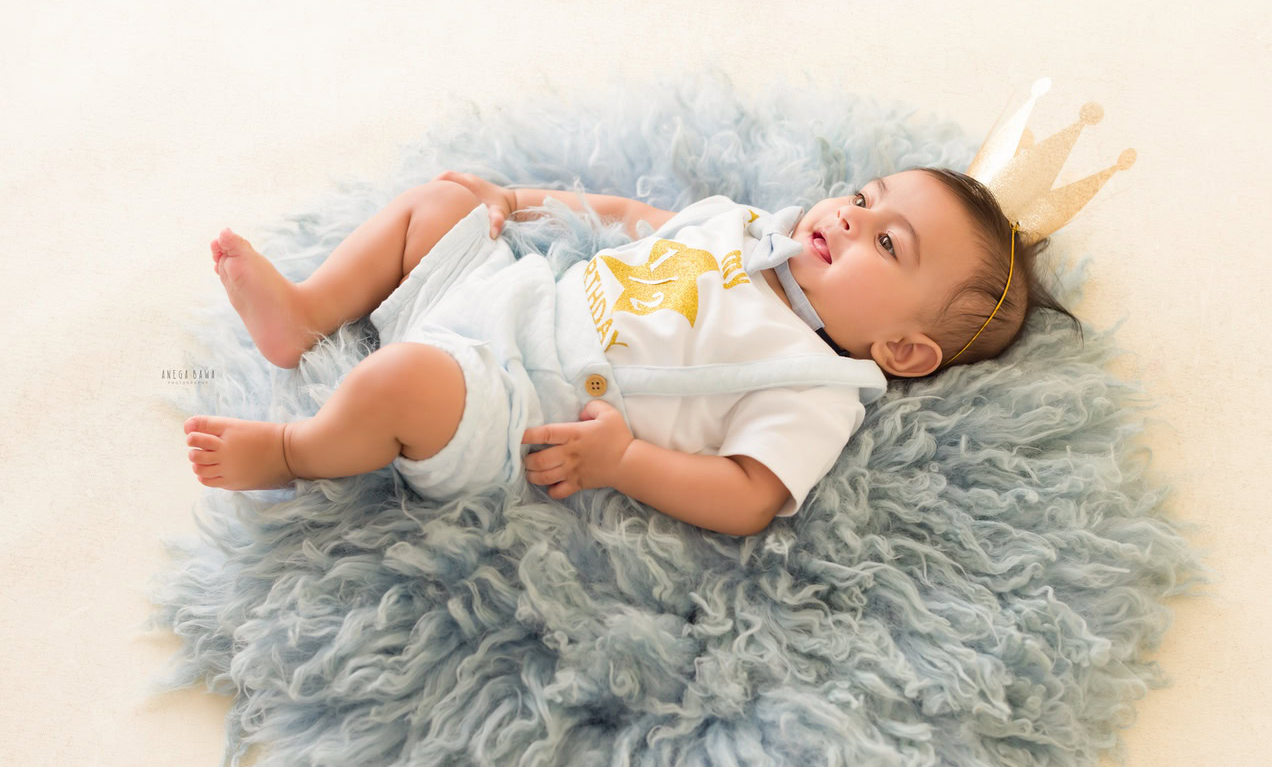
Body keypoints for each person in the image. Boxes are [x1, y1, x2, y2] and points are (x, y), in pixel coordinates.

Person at [181, 168, 1078, 536]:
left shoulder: (814, 382)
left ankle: (293, 452)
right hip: (503, 301)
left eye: (887, 244)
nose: (849, 216)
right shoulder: (748, 229)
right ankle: (304, 316)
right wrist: (522, 197)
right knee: (441, 198)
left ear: (904, 350)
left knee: (395, 382)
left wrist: (626, 458)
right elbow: (637, 220)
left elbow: (749, 497)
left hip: (510, 403)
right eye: (863, 196)